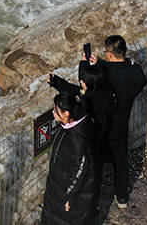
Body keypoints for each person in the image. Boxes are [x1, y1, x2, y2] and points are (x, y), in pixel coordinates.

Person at [89, 35, 146, 209]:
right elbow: (129, 71)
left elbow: (100, 77)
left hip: (105, 124)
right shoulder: (135, 72)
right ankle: (122, 197)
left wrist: (95, 65)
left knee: (96, 161)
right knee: (121, 161)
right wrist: (102, 63)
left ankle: (93, 199)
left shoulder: (108, 75)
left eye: (106, 53)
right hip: (122, 123)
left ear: (111, 54)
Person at [49, 62, 117, 188]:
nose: (81, 81)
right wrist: (55, 81)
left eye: (84, 80)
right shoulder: (102, 93)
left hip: (93, 146)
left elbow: (75, 92)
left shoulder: (94, 103)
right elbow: (74, 90)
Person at [41, 92, 99, 225]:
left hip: (67, 193)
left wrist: (70, 196)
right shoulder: (71, 125)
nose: (53, 112)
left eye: (56, 110)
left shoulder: (78, 137)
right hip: (58, 185)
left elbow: (81, 168)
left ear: (66, 113)